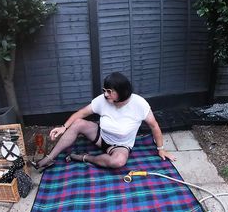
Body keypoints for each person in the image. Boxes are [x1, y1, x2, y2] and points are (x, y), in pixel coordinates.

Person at [32, 72, 176, 172]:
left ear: (122, 91)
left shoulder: (139, 104)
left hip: (120, 145)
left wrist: (161, 149)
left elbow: (154, 126)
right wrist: (64, 127)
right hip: (101, 137)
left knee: (118, 162)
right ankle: (50, 158)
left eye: (109, 91)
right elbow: (81, 113)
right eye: (104, 90)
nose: (105, 94)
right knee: (78, 123)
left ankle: (85, 157)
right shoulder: (103, 100)